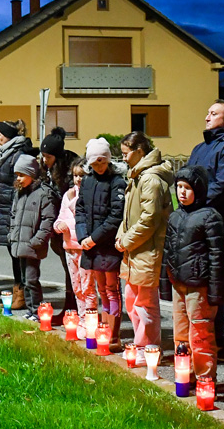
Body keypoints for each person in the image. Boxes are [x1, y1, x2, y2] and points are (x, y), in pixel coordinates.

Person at [187, 100, 224, 362]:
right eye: (207, 112)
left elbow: (223, 185)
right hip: (200, 222)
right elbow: (188, 180)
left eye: (214, 113)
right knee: (210, 283)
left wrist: (196, 203)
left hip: (222, 224)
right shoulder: (200, 148)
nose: (207, 117)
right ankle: (215, 337)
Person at [161, 165, 224, 381]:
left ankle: (205, 377)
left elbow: (217, 256)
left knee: (200, 333)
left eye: (187, 187)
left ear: (198, 189)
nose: (182, 192)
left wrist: (216, 291)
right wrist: (164, 282)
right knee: (180, 332)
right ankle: (184, 371)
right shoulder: (175, 216)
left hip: (199, 286)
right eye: (179, 187)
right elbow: (167, 250)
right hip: (178, 283)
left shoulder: (209, 217)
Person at [116, 132, 174, 351]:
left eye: (125, 153)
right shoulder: (138, 175)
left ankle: (148, 347)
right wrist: (122, 235)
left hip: (147, 248)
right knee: (132, 299)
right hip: (135, 248)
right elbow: (129, 215)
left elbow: (149, 219)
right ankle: (142, 344)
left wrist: (126, 240)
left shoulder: (149, 178)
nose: (123, 158)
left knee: (146, 303)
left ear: (139, 150)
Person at [77, 138, 127, 346]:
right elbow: (80, 209)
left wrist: (94, 238)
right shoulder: (88, 181)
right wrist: (82, 237)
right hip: (91, 244)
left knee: (111, 287)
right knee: (100, 288)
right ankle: (103, 327)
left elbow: (115, 216)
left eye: (101, 162)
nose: (98, 167)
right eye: (94, 163)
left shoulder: (117, 182)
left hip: (107, 245)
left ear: (108, 160)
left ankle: (113, 331)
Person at [0, 120, 34, 308]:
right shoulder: (6, 153)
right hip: (4, 207)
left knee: (18, 254)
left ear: (8, 136)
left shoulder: (17, 154)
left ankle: (23, 294)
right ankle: (18, 291)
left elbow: (18, 183)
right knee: (13, 252)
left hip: (13, 209)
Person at [8, 155, 57, 322]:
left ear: (32, 174)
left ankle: (37, 310)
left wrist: (37, 240)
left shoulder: (44, 194)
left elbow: (48, 219)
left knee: (31, 279)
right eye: (17, 175)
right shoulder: (19, 193)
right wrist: (12, 234)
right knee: (24, 279)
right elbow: (14, 215)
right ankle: (30, 309)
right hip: (20, 242)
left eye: (22, 175)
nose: (18, 179)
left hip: (32, 244)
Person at [40, 127, 81, 312]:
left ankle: (74, 309)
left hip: (71, 231)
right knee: (68, 270)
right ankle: (69, 307)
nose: (43, 160)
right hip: (57, 227)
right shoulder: (48, 171)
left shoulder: (71, 174)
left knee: (75, 272)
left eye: (47, 157)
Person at [54, 158, 93, 320]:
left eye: (82, 175)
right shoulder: (69, 194)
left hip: (84, 247)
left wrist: (71, 200)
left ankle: (90, 320)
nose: (78, 179)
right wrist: (59, 226)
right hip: (70, 246)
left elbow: (81, 215)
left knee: (88, 287)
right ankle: (82, 318)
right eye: (75, 175)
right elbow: (60, 218)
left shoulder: (88, 194)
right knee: (76, 287)